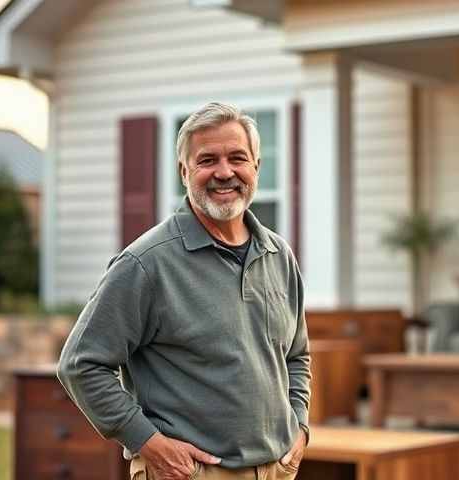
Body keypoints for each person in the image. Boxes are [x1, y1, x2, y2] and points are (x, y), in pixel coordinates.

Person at [57, 102, 311, 480]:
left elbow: (296, 355)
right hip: (189, 474)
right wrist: (149, 442)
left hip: (277, 470)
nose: (224, 172)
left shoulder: (278, 255)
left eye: (237, 158)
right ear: (184, 171)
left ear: (256, 166)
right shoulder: (145, 264)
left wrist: (299, 428)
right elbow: (80, 364)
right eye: (207, 160)